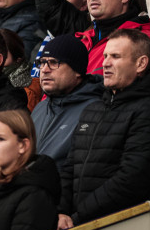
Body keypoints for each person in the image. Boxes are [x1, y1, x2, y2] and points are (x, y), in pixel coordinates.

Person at [58, 30, 150, 228]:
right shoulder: (92, 110)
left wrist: (78, 218)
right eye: (104, 56)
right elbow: (70, 168)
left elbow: (132, 179)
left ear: (141, 64)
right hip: (78, 225)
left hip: (122, 229)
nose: (105, 63)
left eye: (115, 56)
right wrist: (61, 211)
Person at [30, 35, 102, 169]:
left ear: (77, 71)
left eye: (54, 62)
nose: (44, 69)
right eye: (42, 62)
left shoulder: (95, 110)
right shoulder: (40, 107)